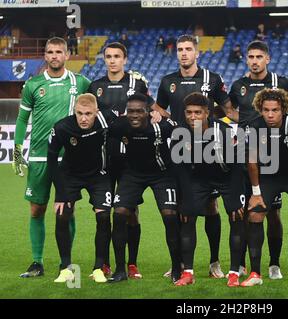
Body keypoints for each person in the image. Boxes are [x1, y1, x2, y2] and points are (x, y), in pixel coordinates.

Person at [154, 34, 236, 279]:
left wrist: (225, 122)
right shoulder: (168, 81)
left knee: (211, 206)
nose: (183, 53)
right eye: (180, 49)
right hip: (179, 149)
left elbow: (228, 108)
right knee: (181, 208)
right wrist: (169, 120)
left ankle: (214, 262)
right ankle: (178, 264)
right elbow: (159, 107)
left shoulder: (212, 79)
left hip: (208, 148)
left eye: (188, 49)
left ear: (197, 53)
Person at [14, 37, 90, 278]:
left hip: (69, 158)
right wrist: (17, 151)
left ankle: (65, 263)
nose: (54, 55)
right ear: (45, 56)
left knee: (66, 210)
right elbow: (22, 119)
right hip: (38, 156)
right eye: (50, 52)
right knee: (37, 209)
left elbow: (98, 106)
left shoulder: (80, 82)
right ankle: (37, 262)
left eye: (59, 51)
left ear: (67, 55)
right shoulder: (33, 85)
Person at [229, 40, 288, 280]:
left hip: (273, 157)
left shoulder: (281, 83)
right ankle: (239, 263)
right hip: (244, 156)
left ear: (267, 59)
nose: (254, 60)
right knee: (242, 211)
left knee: (272, 213)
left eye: (259, 56)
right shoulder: (238, 85)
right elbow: (228, 109)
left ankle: (274, 264)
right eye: (250, 56)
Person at [88, 41, 155, 279]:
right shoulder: (95, 86)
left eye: (117, 56)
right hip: (105, 159)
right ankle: (103, 263)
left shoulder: (138, 83)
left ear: (125, 59)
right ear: (104, 59)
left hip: (131, 160)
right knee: (104, 213)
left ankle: (132, 264)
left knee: (130, 212)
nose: (112, 60)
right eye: (108, 56)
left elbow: (151, 112)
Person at [240, 88, 288, 287]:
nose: (270, 115)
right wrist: (256, 194)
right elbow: (252, 162)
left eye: (275, 110)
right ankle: (255, 273)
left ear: (283, 109)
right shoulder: (254, 126)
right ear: (260, 109)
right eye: (266, 110)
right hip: (268, 176)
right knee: (255, 214)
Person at [172, 93, 246, 287]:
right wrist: (186, 196)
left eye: (198, 112)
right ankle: (188, 273)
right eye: (188, 112)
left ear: (207, 113)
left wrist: (237, 198)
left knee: (236, 217)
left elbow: (239, 165)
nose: (192, 117)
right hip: (199, 179)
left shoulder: (225, 132)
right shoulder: (180, 133)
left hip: (227, 177)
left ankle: (233, 273)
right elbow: (180, 169)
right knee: (187, 216)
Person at [108, 94, 180, 283]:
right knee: (119, 213)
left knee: (170, 216)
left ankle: (177, 269)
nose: (134, 115)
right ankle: (120, 270)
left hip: (162, 174)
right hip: (132, 174)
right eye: (130, 111)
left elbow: (181, 133)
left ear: (148, 112)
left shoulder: (162, 126)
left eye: (139, 111)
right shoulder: (119, 125)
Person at [47, 94, 111, 284]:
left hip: (98, 175)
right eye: (80, 113)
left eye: (88, 114)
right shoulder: (62, 127)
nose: (83, 118)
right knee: (61, 214)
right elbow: (51, 159)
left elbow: (131, 118)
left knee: (104, 216)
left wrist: (155, 114)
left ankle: (99, 267)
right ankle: (66, 268)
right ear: (74, 111)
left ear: (96, 112)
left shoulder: (106, 120)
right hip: (70, 175)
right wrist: (59, 192)